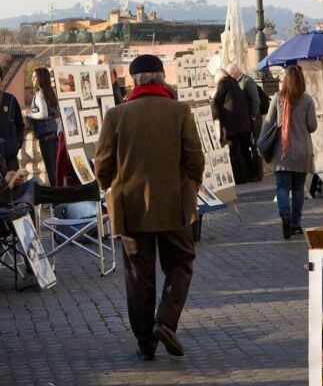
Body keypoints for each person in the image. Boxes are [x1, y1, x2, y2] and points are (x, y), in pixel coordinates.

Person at [95, 54, 204, 362]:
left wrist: (109, 185)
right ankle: (165, 321)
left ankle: (146, 342)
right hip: (173, 205)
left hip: (130, 207)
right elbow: (194, 158)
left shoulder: (116, 115)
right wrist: (191, 186)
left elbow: (102, 163)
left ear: (134, 81)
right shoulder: (180, 111)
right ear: (162, 78)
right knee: (180, 263)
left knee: (138, 276)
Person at [264, 65, 319, 240]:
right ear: (301, 80)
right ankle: (295, 224)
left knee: (282, 187)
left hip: (283, 152)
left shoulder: (278, 98)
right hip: (302, 152)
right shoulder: (307, 100)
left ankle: (285, 214)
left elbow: (268, 123)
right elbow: (312, 126)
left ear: (285, 80)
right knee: (297, 189)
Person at [211, 69, 252, 184]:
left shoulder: (223, 83)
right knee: (242, 151)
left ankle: (239, 178)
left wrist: (213, 116)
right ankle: (245, 176)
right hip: (243, 123)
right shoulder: (234, 82)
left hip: (232, 125)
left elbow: (216, 101)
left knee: (235, 152)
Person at [25, 67, 62, 186]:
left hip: (45, 137)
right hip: (54, 135)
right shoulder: (50, 93)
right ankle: (61, 197)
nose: (32, 79)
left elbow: (43, 113)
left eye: (35, 77)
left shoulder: (39, 93)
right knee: (56, 170)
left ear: (41, 78)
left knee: (52, 172)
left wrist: (28, 114)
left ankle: (57, 201)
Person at [229, 63, 264, 181]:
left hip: (254, 119)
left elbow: (256, 100)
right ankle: (251, 172)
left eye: (230, 73)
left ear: (234, 71)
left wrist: (253, 116)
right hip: (247, 120)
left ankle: (258, 174)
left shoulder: (247, 81)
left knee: (256, 145)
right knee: (249, 145)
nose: (230, 75)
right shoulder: (238, 82)